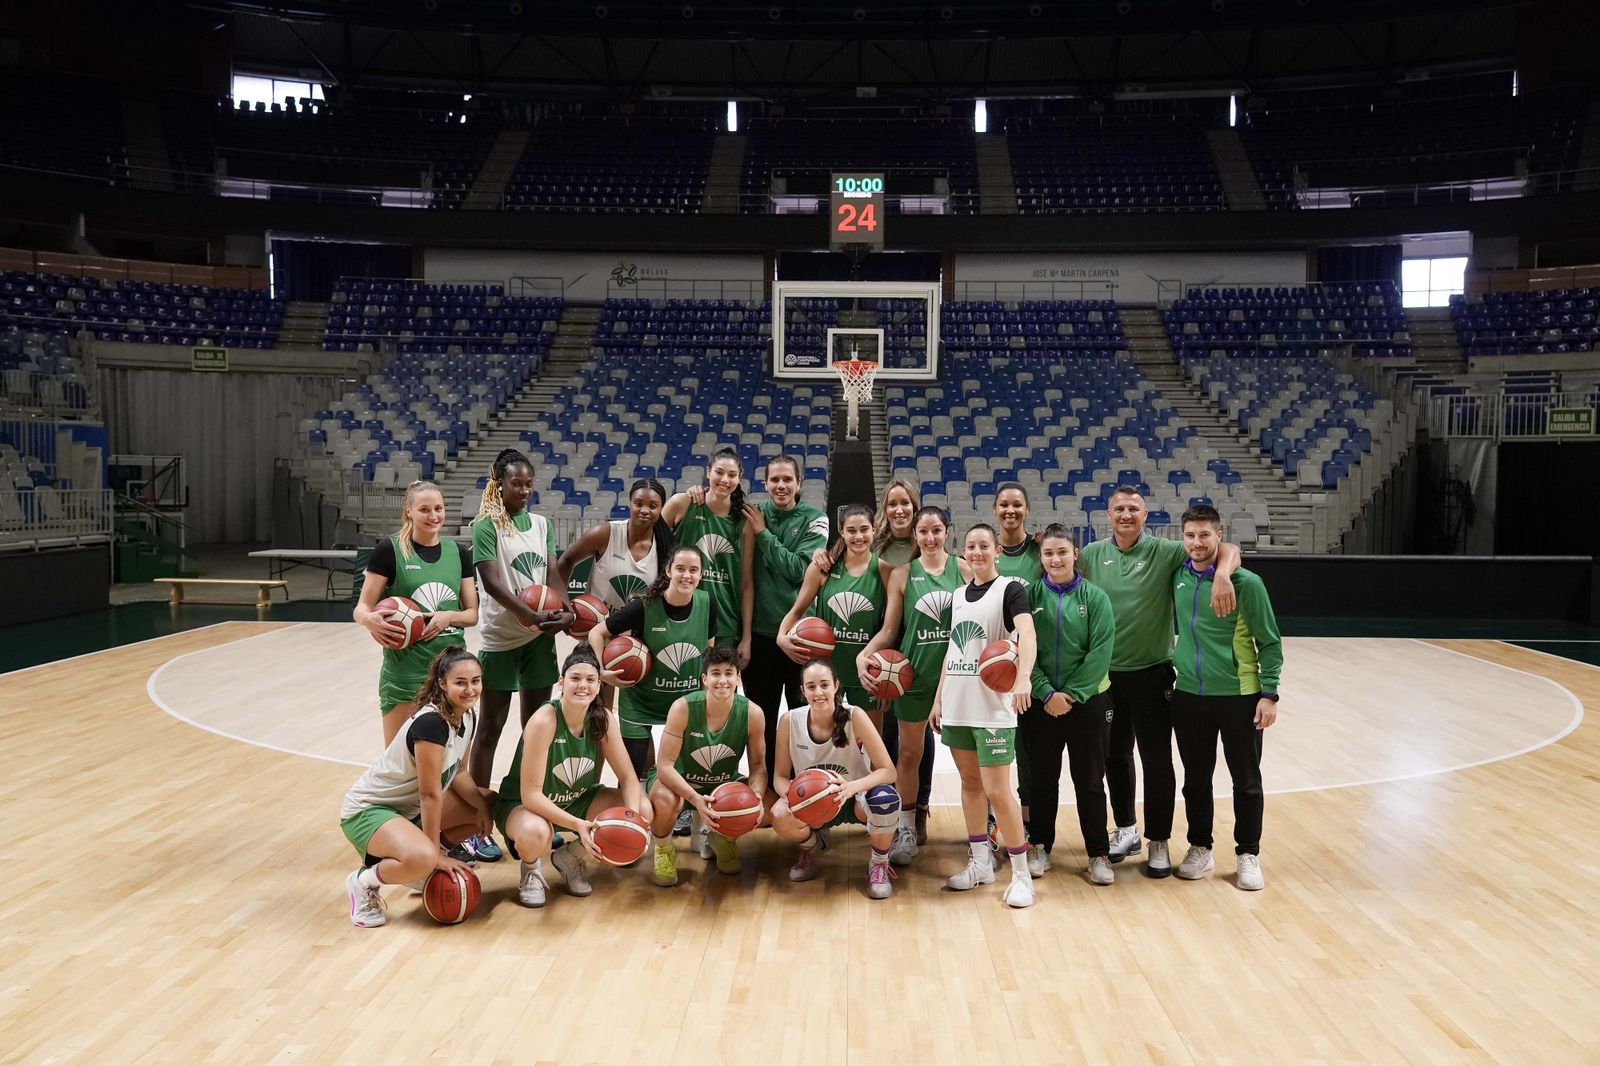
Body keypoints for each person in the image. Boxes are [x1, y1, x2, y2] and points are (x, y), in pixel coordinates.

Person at [1077, 485, 1240, 877]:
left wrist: (1222, 575)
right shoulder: (1092, 554)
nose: (1126, 515)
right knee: (1114, 757)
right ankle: (1127, 829)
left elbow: (1227, 548)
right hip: (1106, 676)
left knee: (1157, 760)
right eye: (1119, 508)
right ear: (1108, 514)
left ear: (1146, 515)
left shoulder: (1166, 552)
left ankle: (1159, 841)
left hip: (1153, 672)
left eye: (1134, 509)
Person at [465, 449, 573, 863]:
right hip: (500, 639)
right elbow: (492, 583)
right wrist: (530, 615)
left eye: (529, 483)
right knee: (490, 726)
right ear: (499, 481)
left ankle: (533, 812)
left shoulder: (542, 524)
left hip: (536, 641)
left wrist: (563, 608)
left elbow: (551, 573)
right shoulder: (485, 525)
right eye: (517, 483)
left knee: (536, 728)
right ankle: (478, 823)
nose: (525, 490)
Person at [1170, 504, 1282, 892]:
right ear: (1181, 538)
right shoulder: (1177, 577)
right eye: (1190, 535)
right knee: (1195, 781)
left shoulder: (1248, 584)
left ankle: (1248, 854)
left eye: (1205, 534)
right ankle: (1200, 847)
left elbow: (1269, 642)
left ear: (1219, 536)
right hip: (1188, 695)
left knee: (1246, 781)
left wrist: (1269, 695)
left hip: (1240, 696)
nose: (1197, 542)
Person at [339, 646, 492, 928]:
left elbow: (458, 772)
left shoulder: (467, 715)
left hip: (405, 812)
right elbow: (430, 794)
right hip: (369, 810)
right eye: (460, 682)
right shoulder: (432, 724)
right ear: (442, 684)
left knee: (485, 803)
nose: (470, 689)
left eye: (475, 681)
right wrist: (433, 856)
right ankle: (364, 882)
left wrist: (483, 807)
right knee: (424, 856)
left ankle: (416, 867)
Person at [930, 523, 1039, 908]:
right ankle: (979, 863)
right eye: (971, 546)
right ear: (965, 552)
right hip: (959, 703)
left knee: (997, 790)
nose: (976, 552)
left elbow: (1027, 633)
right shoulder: (958, 594)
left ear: (996, 551)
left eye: (984, 546)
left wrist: (1023, 677)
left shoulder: (1010, 588)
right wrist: (940, 697)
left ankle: (1022, 874)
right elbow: (952, 649)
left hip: (992, 708)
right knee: (971, 784)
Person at [493, 646, 651, 906]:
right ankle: (531, 871)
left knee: (643, 808)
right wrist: (578, 824)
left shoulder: (603, 719)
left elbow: (629, 779)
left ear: (599, 686)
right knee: (535, 834)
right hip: (526, 806)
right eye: (575, 678)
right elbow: (530, 795)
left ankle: (570, 856)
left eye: (590, 680)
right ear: (561, 682)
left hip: (577, 799)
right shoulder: (545, 720)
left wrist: (631, 819)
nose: (583, 686)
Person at [859, 504, 970, 865]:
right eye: (924, 532)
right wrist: (865, 654)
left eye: (937, 530)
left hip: (958, 675)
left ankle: (981, 829)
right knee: (908, 755)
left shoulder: (965, 569)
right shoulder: (903, 574)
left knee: (970, 758)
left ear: (948, 532)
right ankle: (905, 826)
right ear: (916, 536)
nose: (930, 537)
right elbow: (890, 631)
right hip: (915, 677)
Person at [1023, 525, 1117, 884]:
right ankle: (1040, 846)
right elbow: (1022, 650)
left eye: (1062, 551)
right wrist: (1045, 691)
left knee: (1090, 780)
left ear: (1075, 553)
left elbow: (1100, 652)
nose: (1055, 559)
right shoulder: (1029, 596)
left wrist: (1072, 695)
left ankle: (1098, 854)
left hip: (1089, 702)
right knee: (1042, 781)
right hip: (1041, 703)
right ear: (1041, 557)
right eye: (1048, 553)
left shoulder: (1095, 597)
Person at [354, 480, 479, 747]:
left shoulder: (458, 552)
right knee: (398, 761)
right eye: (424, 509)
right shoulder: (389, 550)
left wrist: (448, 616)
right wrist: (370, 621)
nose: (433, 516)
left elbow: (471, 614)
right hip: (405, 672)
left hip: (451, 674)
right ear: (409, 510)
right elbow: (361, 608)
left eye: (439, 508)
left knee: (451, 767)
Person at [770, 659, 900, 899]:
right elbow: (779, 777)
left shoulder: (855, 716)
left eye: (824, 685)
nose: (818, 692)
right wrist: (793, 795)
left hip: (854, 798)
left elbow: (888, 771)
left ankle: (879, 863)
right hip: (814, 802)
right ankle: (811, 847)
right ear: (802, 690)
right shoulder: (790, 720)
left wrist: (851, 788)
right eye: (811, 686)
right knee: (779, 813)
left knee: (886, 799)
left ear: (836, 686)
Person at [741, 454, 830, 803]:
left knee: (802, 718)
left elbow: (797, 569)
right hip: (761, 636)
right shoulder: (753, 513)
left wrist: (762, 534)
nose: (780, 485)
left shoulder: (815, 519)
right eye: (774, 480)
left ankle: (805, 791)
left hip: (799, 637)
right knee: (760, 721)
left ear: (798, 482)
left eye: (787, 480)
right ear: (765, 483)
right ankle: (764, 793)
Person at [586, 544, 714, 781]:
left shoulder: (707, 602)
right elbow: (596, 633)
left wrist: (707, 696)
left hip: (685, 703)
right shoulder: (644, 606)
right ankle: (633, 816)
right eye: (681, 568)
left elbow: (708, 653)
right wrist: (601, 673)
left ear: (701, 574)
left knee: (684, 776)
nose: (687, 575)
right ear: (668, 571)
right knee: (633, 776)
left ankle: (681, 816)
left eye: (693, 570)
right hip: (640, 703)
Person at [646, 644, 768, 886]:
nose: (722, 680)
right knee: (665, 799)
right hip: (680, 783)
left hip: (721, 786)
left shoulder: (753, 713)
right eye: (715, 673)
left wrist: (757, 798)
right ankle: (663, 849)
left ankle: (721, 838)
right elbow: (665, 767)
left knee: (760, 806)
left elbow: (757, 766)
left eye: (728, 673)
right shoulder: (682, 708)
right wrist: (694, 798)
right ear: (704, 678)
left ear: (738, 678)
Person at [776, 503, 892, 728]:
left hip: (867, 671)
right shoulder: (824, 568)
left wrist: (886, 674)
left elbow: (891, 627)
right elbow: (797, 611)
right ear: (842, 532)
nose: (858, 536)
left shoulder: (885, 570)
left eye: (864, 529)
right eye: (851, 530)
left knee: (868, 743)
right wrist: (781, 636)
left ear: (874, 531)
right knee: (827, 738)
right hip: (827, 671)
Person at [662, 446, 755, 666]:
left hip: (725, 621)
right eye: (719, 472)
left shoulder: (745, 521)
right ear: (708, 472)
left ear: (740, 478)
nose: (725, 480)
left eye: (732, 475)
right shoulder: (682, 503)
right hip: (679, 613)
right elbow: (654, 549)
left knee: (718, 690)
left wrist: (747, 637)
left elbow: (746, 583)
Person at [554, 477, 671, 611]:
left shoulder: (665, 546)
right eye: (638, 503)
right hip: (596, 628)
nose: (644, 510)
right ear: (629, 503)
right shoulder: (605, 534)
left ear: (661, 508)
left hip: (636, 630)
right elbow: (566, 560)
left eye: (652, 506)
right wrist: (562, 604)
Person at [872, 477, 920, 566]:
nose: (899, 511)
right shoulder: (872, 544)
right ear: (885, 509)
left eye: (905, 503)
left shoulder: (926, 542)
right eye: (892, 504)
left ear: (914, 507)